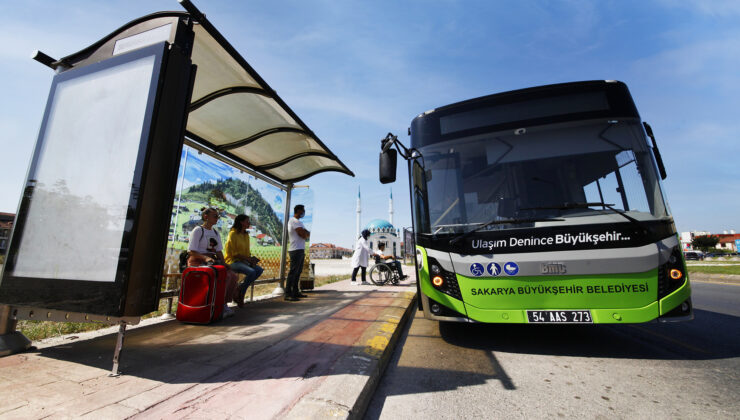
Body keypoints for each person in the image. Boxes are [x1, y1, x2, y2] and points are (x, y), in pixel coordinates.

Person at [187, 207, 239, 317]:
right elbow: (191, 251)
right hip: (198, 261)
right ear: (206, 217)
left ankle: (223, 304)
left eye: (218, 216)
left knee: (233, 276)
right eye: (215, 216)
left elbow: (219, 251)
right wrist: (205, 258)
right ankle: (217, 305)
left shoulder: (215, 232)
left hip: (211, 262)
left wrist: (224, 263)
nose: (217, 218)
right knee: (225, 276)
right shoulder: (198, 230)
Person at [224, 214, 264, 307]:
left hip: (243, 261)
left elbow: (246, 252)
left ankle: (240, 289)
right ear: (241, 222)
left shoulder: (246, 235)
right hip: (232, 261)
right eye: (247, 221)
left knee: (259, 270)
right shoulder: (233, 234)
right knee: (252, 272)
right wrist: (248, 259)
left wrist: (251, 260)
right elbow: (233, 253)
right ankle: (241, 293)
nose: (249, 223)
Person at [286, 204, 310, 301]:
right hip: (295, 250)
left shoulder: (299, 222)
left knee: (298, 272)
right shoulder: (294, 221)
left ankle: (295, 292)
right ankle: (288, 293)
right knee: (293, 272)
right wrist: (305, 233)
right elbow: (304, 235)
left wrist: (306, 233)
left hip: (300, 249)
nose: (303, 212)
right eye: (302, 210)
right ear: (298, 210)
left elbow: (306, 233)